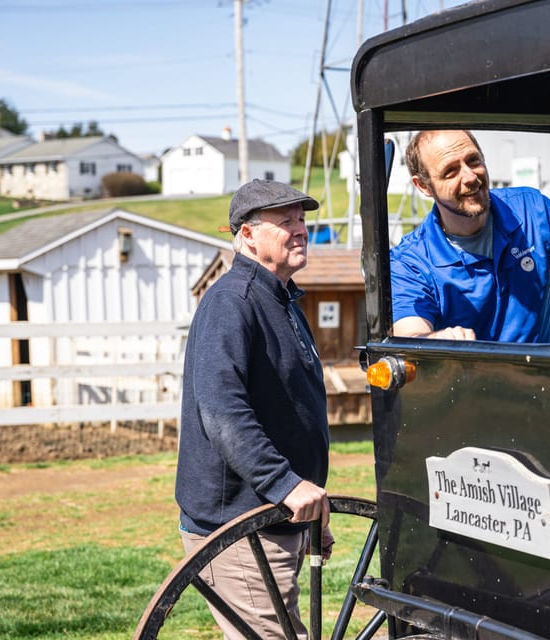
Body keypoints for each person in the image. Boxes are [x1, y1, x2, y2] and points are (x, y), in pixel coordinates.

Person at [175, 179, 333, 639]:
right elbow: (224, 413)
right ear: (247, 235)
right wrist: (285, 484)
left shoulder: (281, 299)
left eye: (302, 220)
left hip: (274, 516)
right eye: (286, 222)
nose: (301, 230)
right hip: (239, 528)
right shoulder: (232, 302)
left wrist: (308, 503)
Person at [390, 129, 550, 342]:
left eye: (473, 161)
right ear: (423, 186)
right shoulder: (409, 262)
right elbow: (410, 335)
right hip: (467, 375)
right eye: (450, 171)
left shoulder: (531, 208)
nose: (470, 177)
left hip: (542, 374)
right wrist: (436, 339)